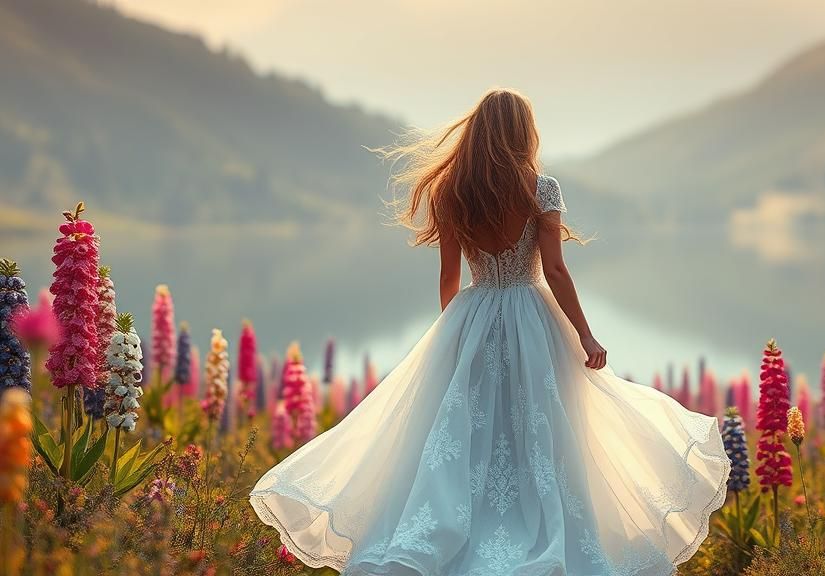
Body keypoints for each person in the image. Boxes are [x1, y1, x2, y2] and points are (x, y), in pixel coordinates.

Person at [250, 88, 729, 575]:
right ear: (523, 133)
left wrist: (452, 335)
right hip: (533, 317)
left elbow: (448, 278)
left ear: (477, 132)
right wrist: (585, 335)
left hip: (473, 315)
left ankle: (456, 531)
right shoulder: (541, 189)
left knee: (470, 434)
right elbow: (557, 272)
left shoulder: (453, 193)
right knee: (544, 431)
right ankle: (544, 527)